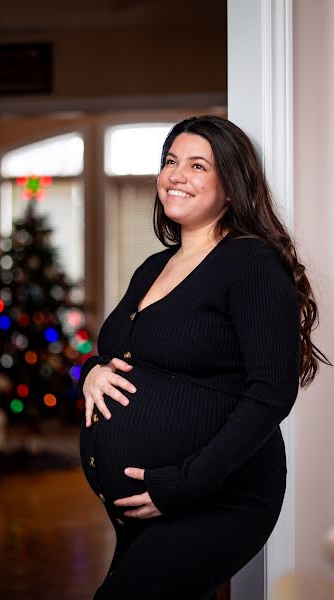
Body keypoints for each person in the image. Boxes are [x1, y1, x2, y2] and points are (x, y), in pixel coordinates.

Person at [77, 115, 331, 600]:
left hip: (218, 498)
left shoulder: (251, 263)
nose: (176, 175)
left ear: (231, 186)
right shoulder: (155, 264)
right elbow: (114, 353)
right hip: (145, 502)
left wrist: (186, 484)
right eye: (170, 161)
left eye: (197, 165)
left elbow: (271, 393)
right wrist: (91, 373)